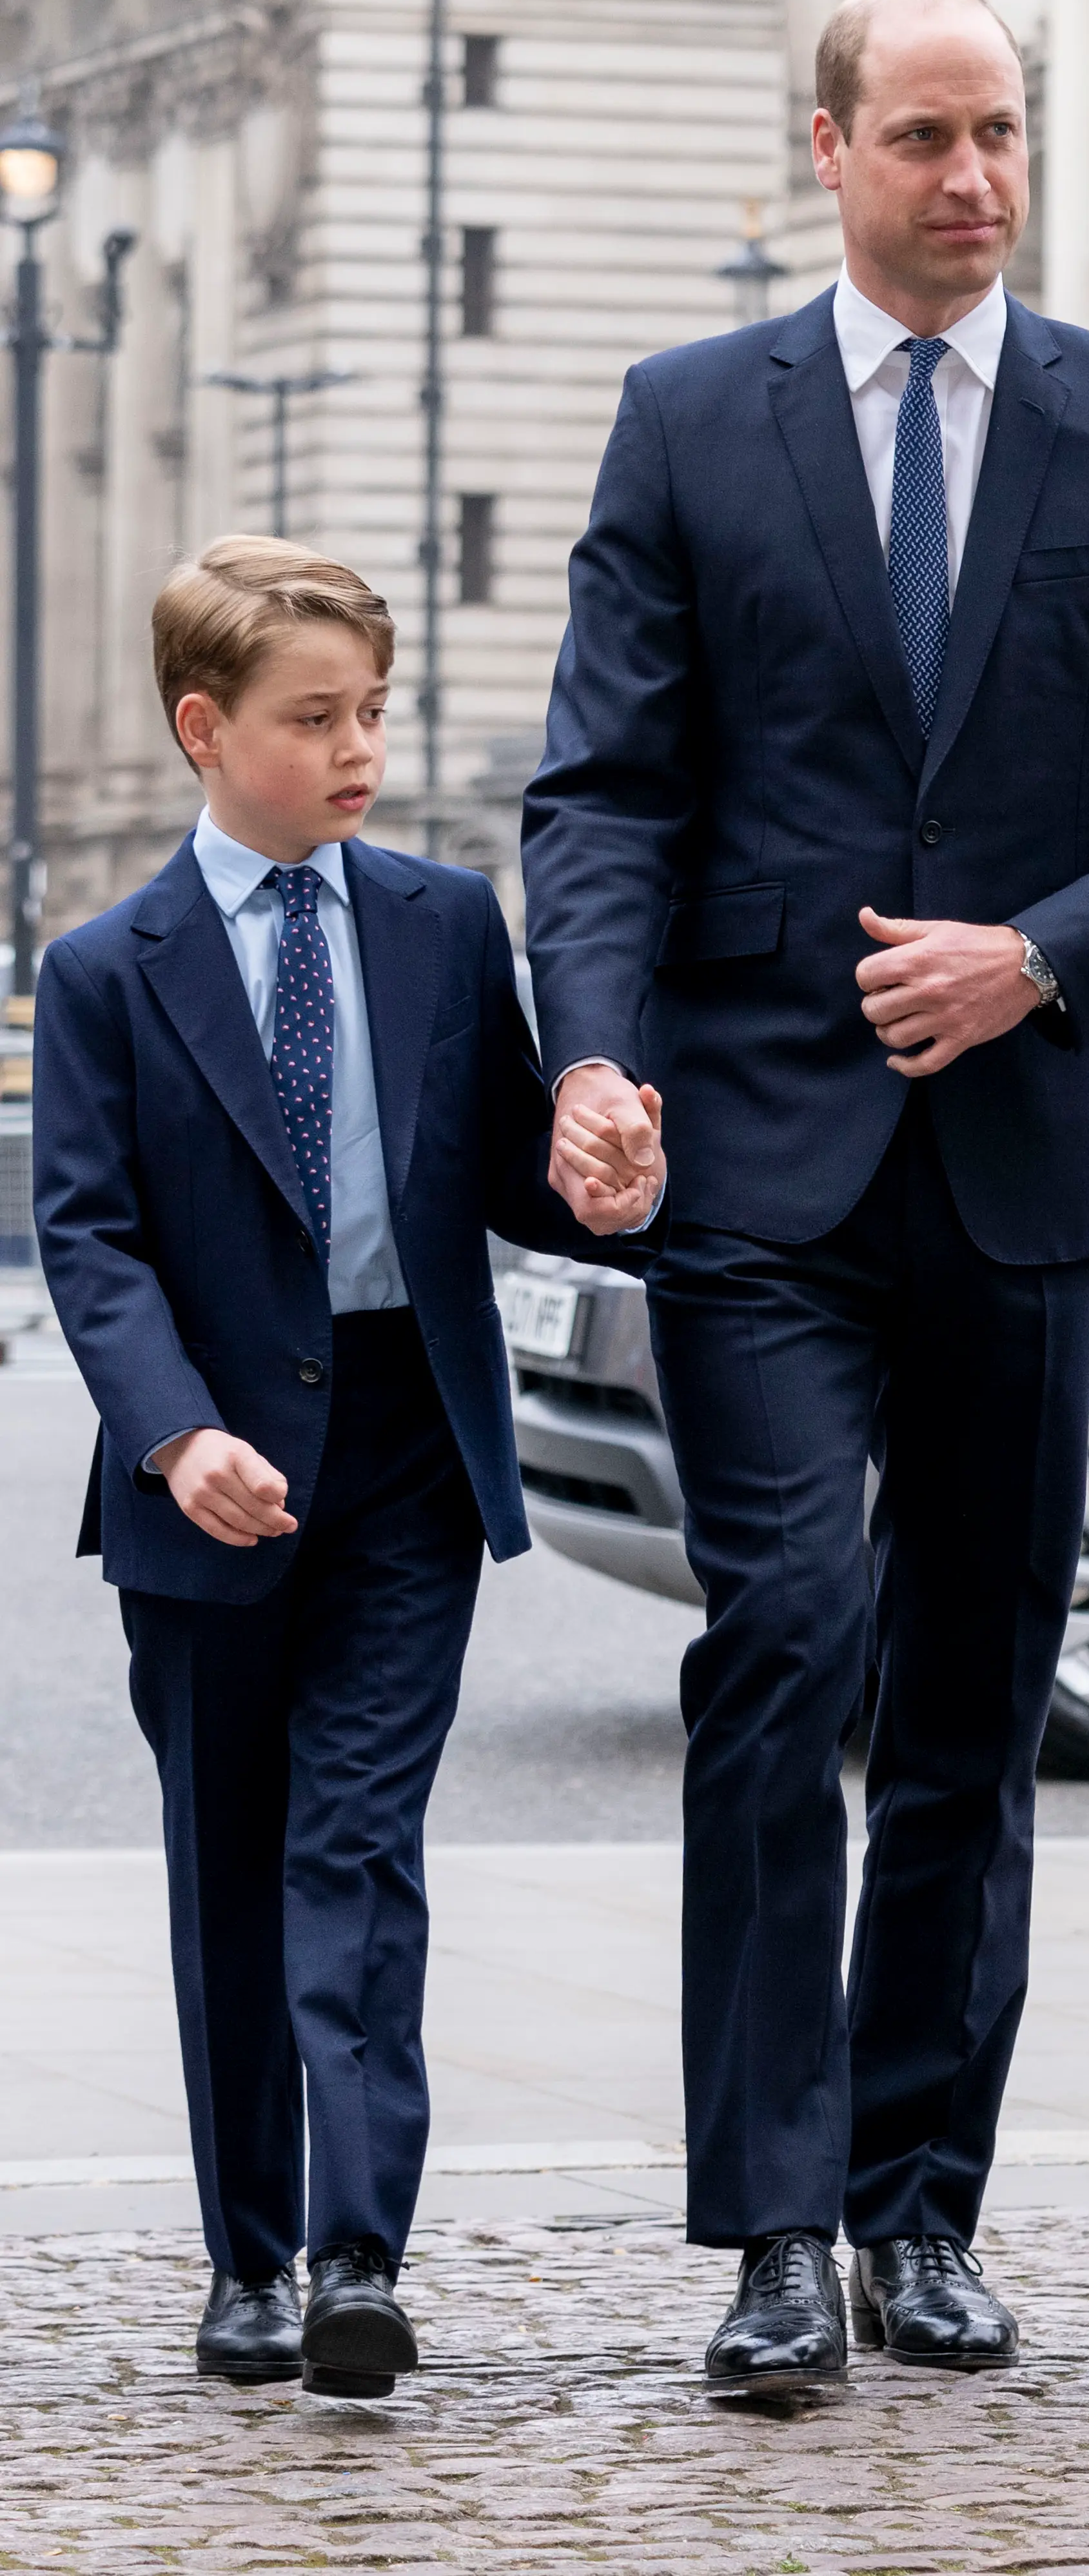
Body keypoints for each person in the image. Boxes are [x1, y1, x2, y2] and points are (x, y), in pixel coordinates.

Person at [521, 0, 1089, 2390]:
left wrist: (1044, 957)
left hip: (1027, 1155)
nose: (974, 180)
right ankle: (774, 2230)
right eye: (929, 138)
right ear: (833, 146)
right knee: (780, 1650)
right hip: (755, 1162)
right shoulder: (688, 422)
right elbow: (603, 794)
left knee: (973, 1694)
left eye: (1006, 138)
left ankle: (919, 2204)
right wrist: (596, 1057)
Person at [31, 539, 660, 2397]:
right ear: (206, 730)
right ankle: (246, 2259)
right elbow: (90, 1236)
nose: (360, 746)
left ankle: (359, 2253)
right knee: (231, 1867)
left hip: (404, 1452)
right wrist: (175, 1428)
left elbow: (512, 1167)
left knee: (358, 1844)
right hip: (206, 1470)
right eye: (318, 718)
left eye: (374, 710)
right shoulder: (103, 971)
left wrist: (611, 1185)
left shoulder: (446, 922)